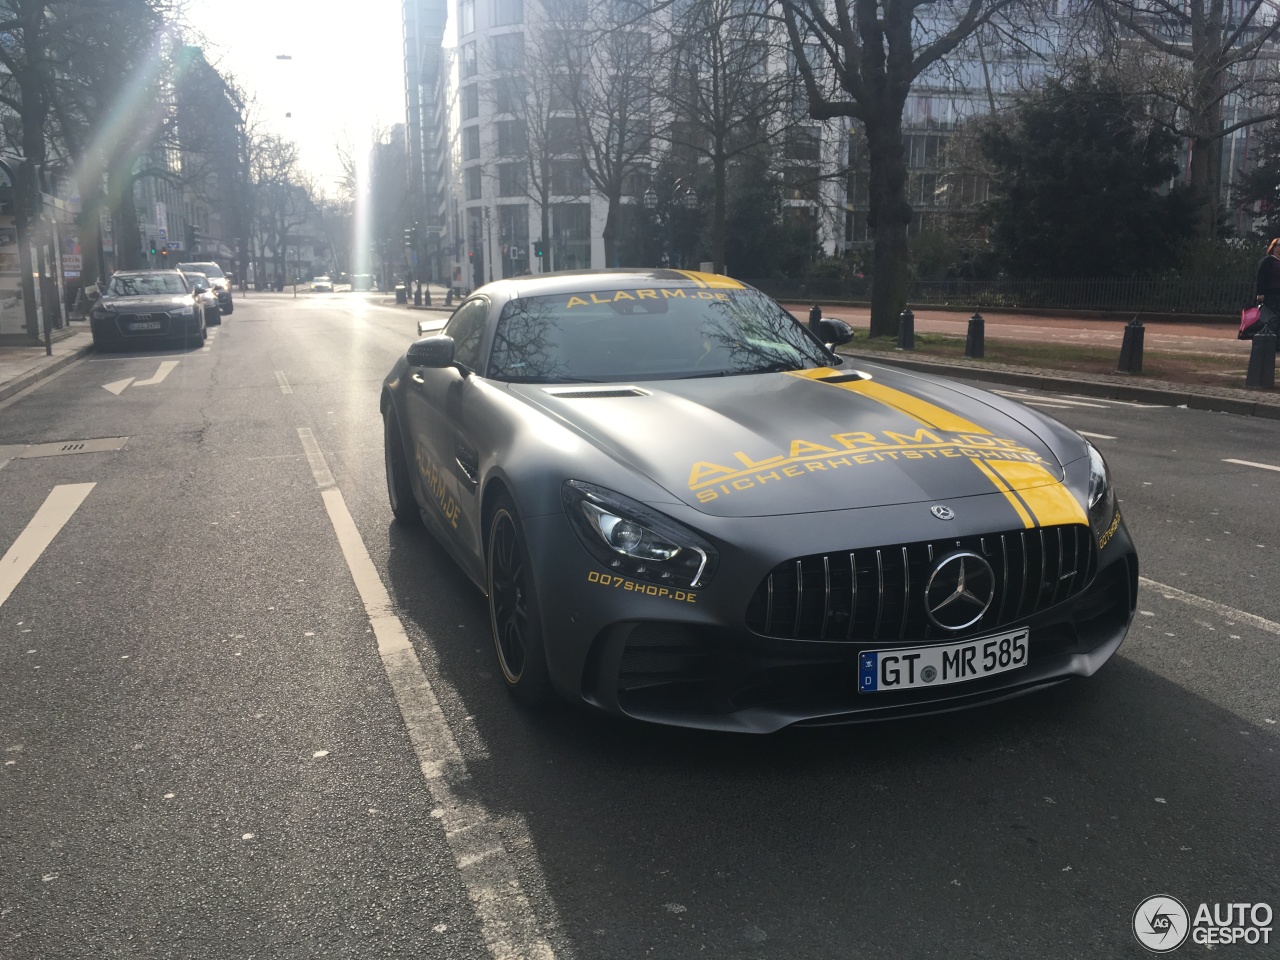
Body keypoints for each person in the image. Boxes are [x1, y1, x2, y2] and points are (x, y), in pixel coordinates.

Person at [1256, 237, 1280, 335]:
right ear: (1274, 247)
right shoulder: (1267, 260)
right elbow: (1260, 277)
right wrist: (1260, 293)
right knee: (1272, 318)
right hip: (1271, 295)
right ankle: (1270, 340)